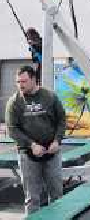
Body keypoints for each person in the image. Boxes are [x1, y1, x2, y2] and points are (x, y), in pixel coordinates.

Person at [5, 66, 66, 216]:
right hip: (28, 154)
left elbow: (62, 120)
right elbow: (12, 129)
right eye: (18, 82)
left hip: (52, 151)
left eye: (24, 81)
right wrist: (31, 144)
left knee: (57, 195)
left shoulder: (50, 97)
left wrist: (57, 140)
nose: (21, 85)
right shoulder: (14, 102)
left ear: (33, 79)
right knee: (32, 198)